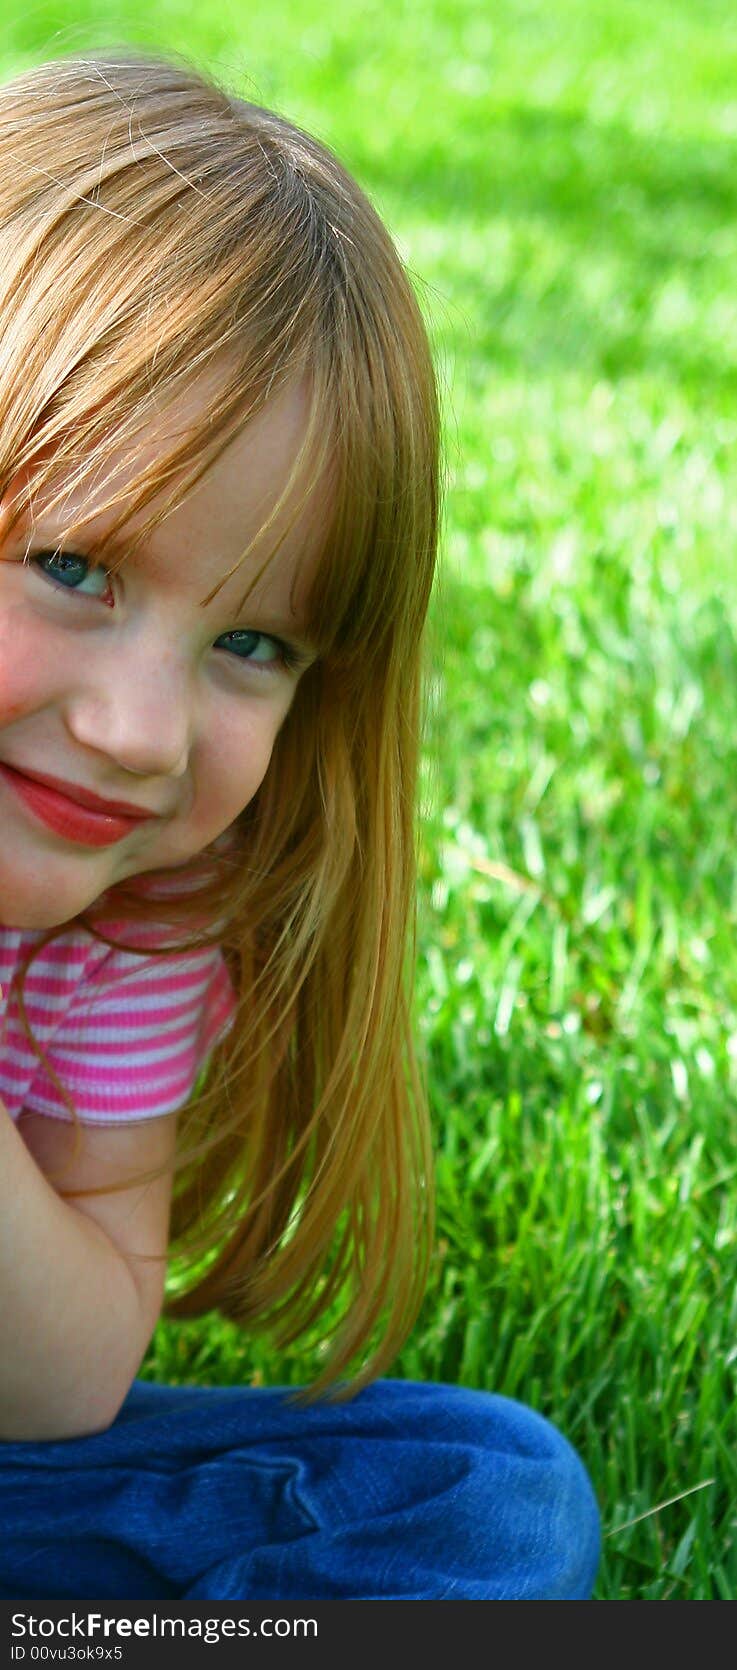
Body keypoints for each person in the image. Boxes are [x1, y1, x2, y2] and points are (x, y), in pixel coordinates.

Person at [0, 47, 600, 1601]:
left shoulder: (132, 919)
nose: (139, 729)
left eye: (249, 646)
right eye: (75, 566)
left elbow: (61, 1388)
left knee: (483, 1494)